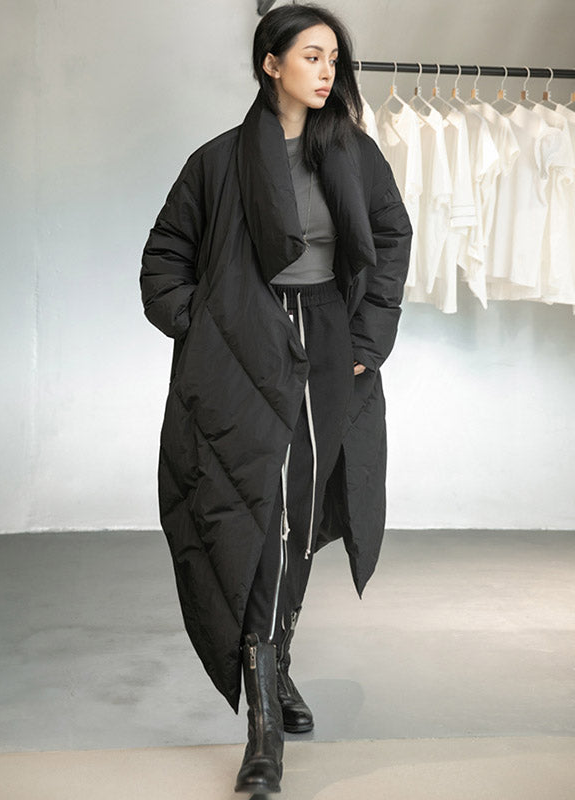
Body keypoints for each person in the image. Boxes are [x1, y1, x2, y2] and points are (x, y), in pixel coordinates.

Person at [139, 3, 412, 795]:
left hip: (327, 340)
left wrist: (367, 341)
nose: (327, 71)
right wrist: (203, 330)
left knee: (300, 512)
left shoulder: (354, 154)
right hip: (244, 344)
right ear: (271, 63)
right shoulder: (217, 163)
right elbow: (164, 258)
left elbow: (390, 241)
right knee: (255, 518)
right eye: (312, 56)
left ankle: (275, 662)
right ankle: (264, 727)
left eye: (334, 59)